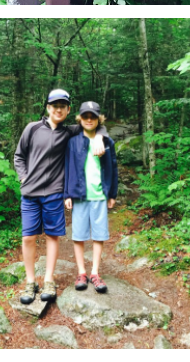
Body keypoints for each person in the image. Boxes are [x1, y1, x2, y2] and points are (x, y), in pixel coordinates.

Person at [14, 89, 109, 305]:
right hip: (30, 193)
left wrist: (101, 136)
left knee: (52, 236)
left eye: (62, 106)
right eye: (54, 105)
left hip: (54, 193)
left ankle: (48, 280)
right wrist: (23, 178)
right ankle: (30, 282)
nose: (58, 109)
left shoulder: (69, 132)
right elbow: (19, 156)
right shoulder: (32, 128)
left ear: (67, 110)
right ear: (48, 108)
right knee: (28, 237)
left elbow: (94, 123)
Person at [64, 101, 118, 294]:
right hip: (79, 194)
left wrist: (112, 193)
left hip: (99, 195)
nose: (89, 120)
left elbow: (113, 167)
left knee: (99, 234)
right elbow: (68, 167)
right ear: (80, 118)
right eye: (85, 116)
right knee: (78, 234)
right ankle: (81, 272)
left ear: (98, 119)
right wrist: (67, 193)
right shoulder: (73, 141)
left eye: (92, 116)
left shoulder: (107, 141)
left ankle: (95, 272)